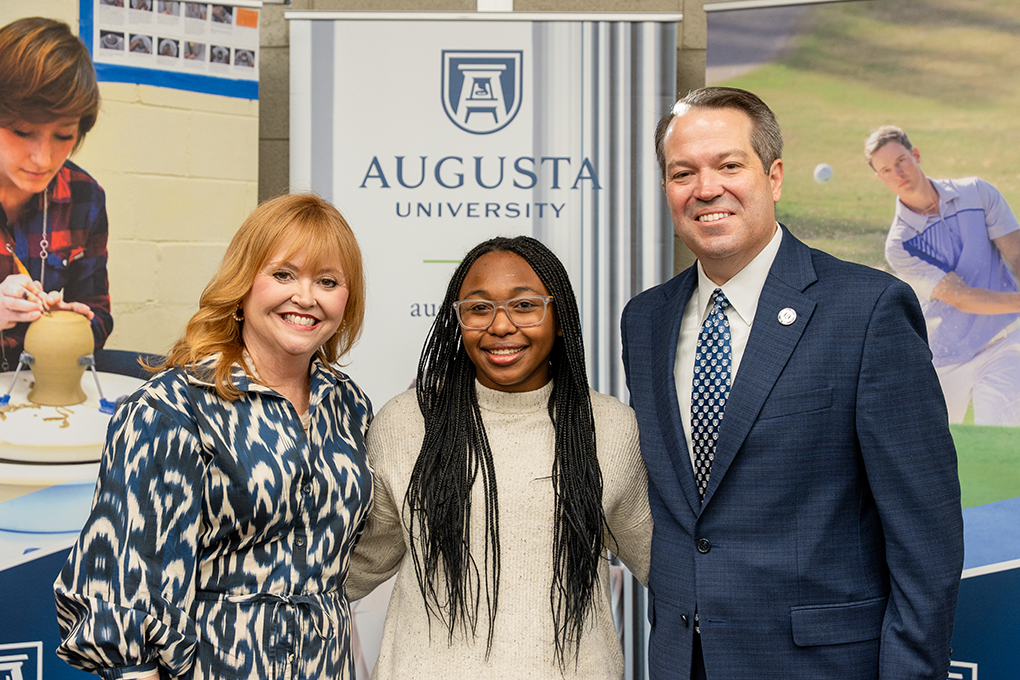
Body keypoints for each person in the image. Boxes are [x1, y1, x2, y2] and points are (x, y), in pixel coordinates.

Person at [621, 87, 964, 679]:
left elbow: (925, 533)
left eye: (730, 165)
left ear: (773, 177)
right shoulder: (645, 321)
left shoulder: (868, 310)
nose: (706, 189)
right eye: (683, 172)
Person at [54, 193, 372, 680]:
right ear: (243, 284)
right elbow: (122, 588)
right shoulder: (171, 409)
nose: (306, 297)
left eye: (327, 281)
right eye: (284, 274)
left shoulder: (348, 405)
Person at [348, 235, 652, 678]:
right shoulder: (406, 422)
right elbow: (362, 560)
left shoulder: (610, 429)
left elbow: (667, 566)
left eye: (525, 305)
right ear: (458, 321)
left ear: (559, 317)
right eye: (478, 308)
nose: (501, 326)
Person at [865, 124, 1020, 426]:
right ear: (880, 178)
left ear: (916, 155)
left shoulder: (977, 192)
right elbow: (960, 298)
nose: (898, 173)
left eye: (901, 161)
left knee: (1001, 435)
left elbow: (1016, 253)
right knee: (935, 451)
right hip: (946, 356)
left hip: (1005, 341)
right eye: (886, 170)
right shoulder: (900, 245)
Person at [0, 17, 112, 372]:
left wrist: (76, 322)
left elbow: (99, 313)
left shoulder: (84, 197)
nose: (42, 159)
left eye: (63, 136)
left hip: (40, 382)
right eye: (22, 131)